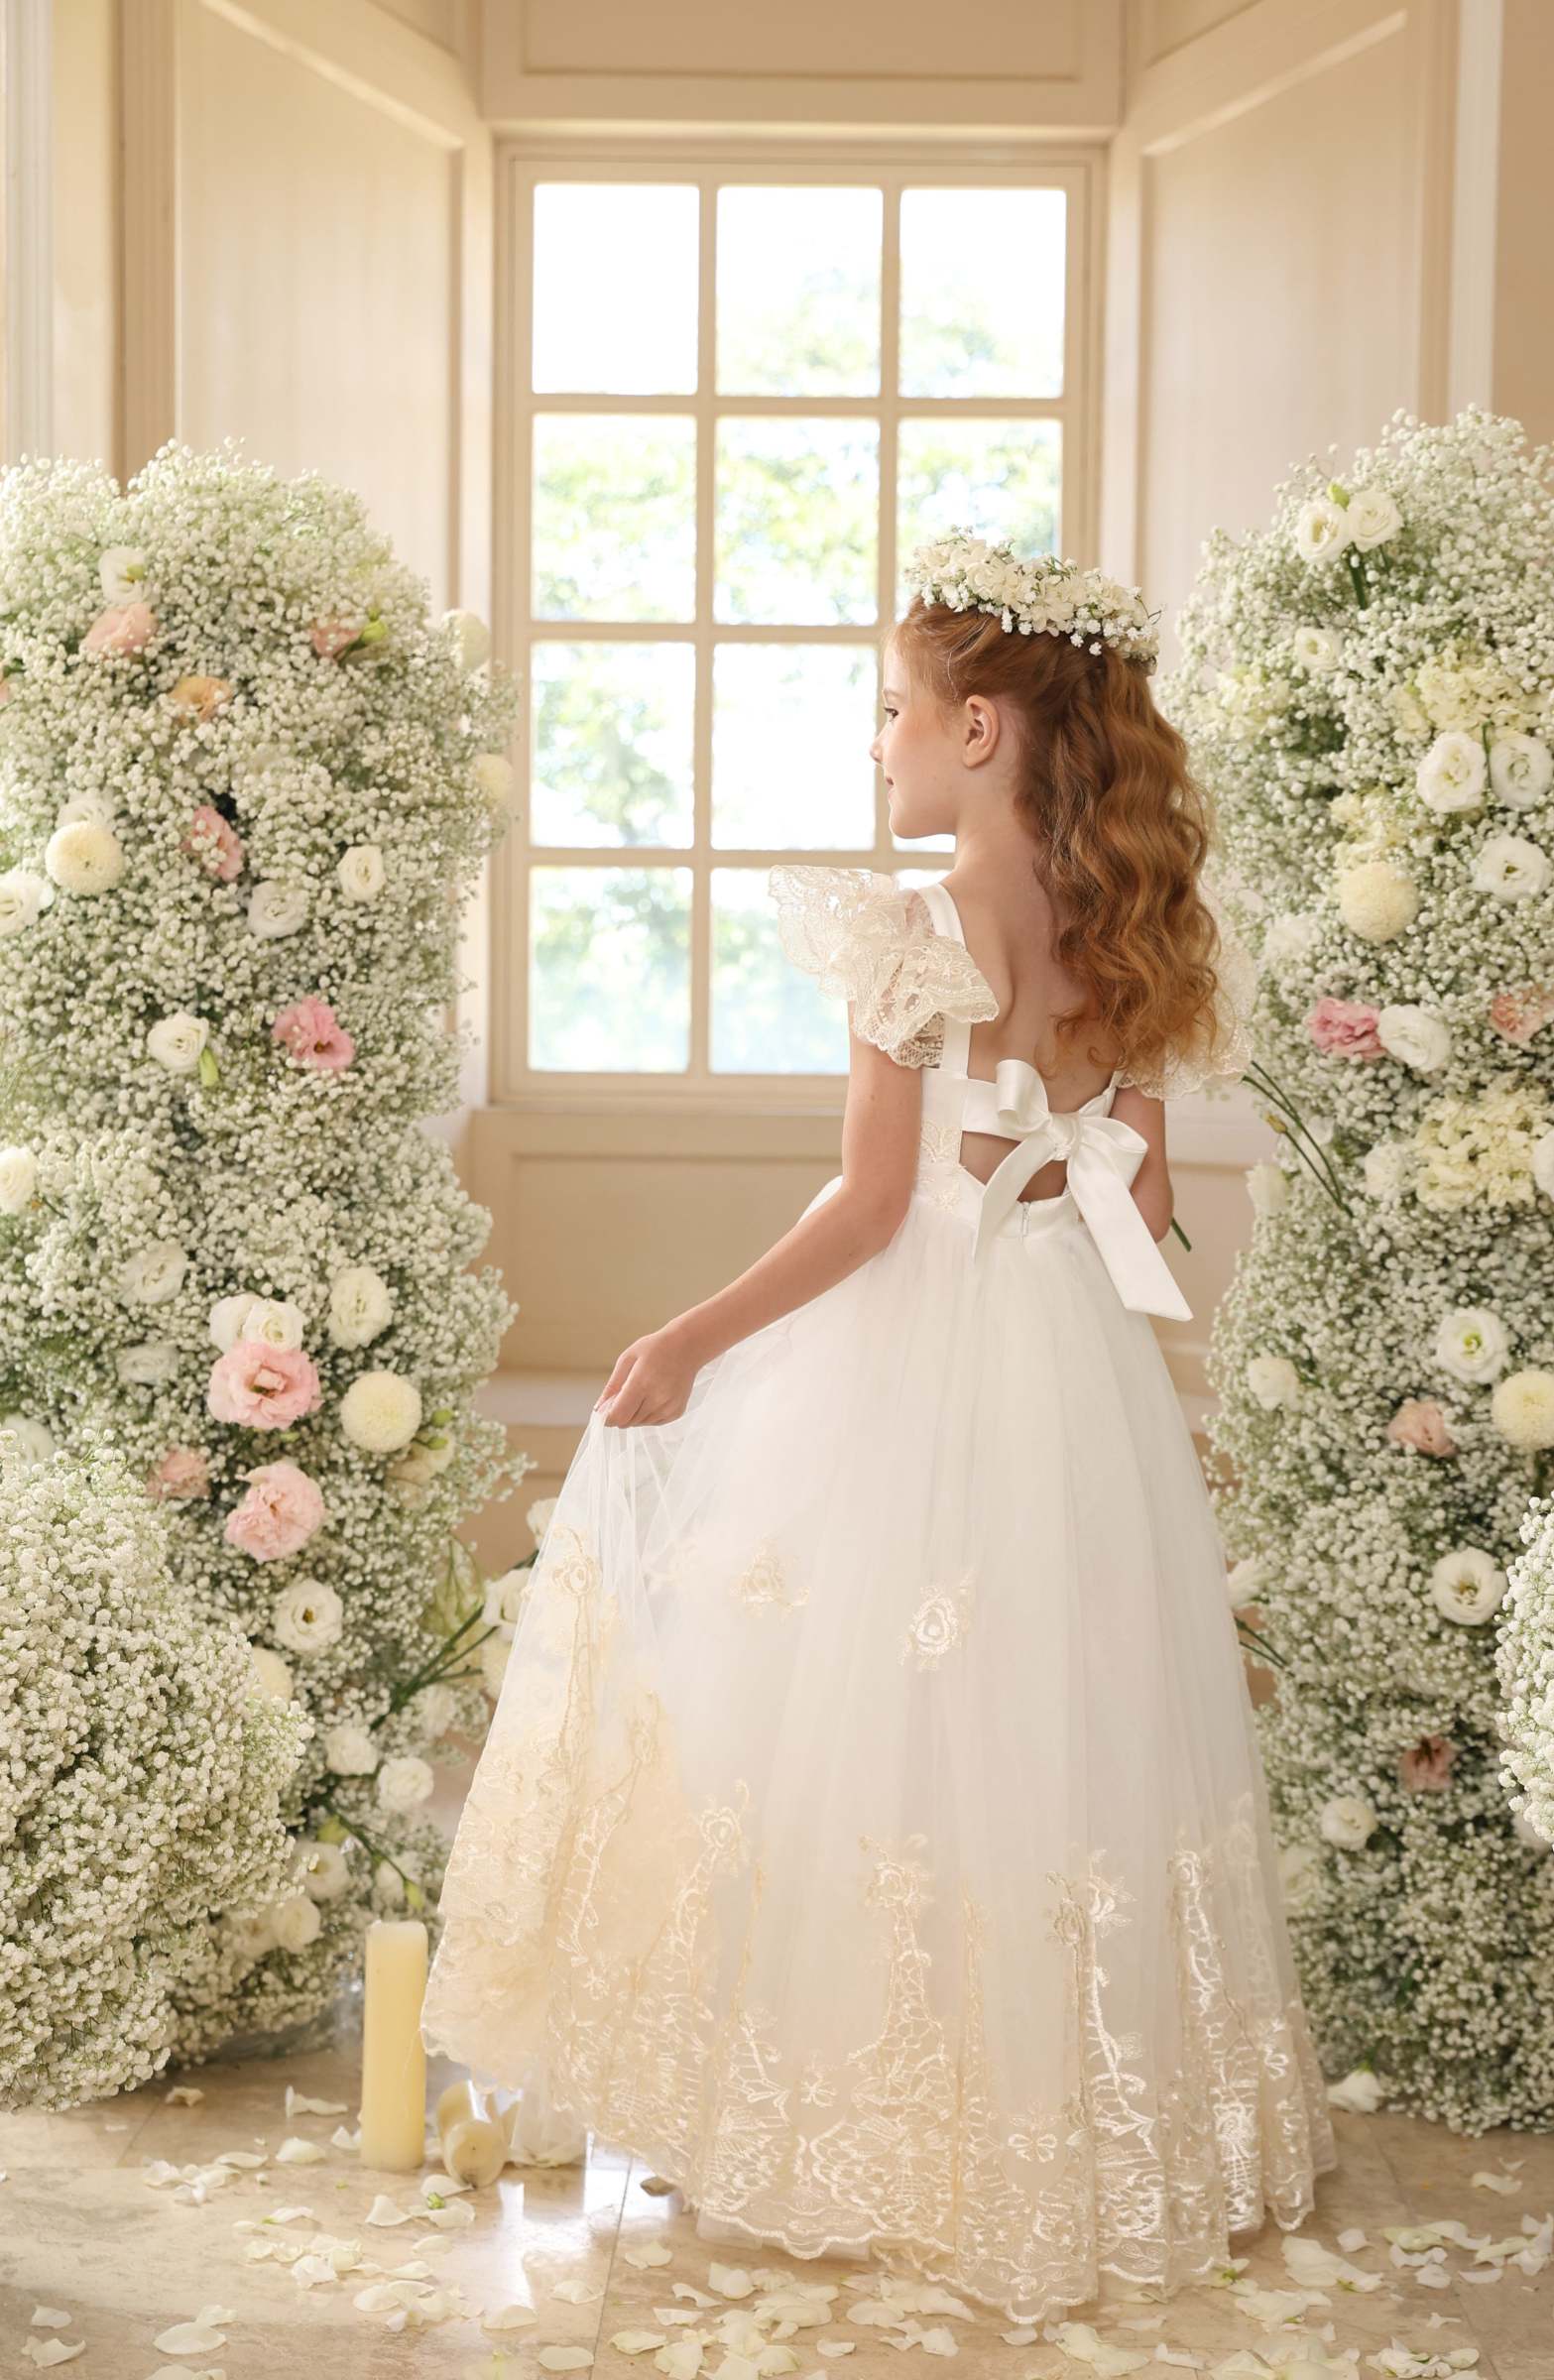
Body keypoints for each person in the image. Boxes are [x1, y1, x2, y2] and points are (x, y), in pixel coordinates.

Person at [419, 533, 1336, 2325]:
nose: (876, 740)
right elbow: (1142, 1201)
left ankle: (878, 2128)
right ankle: (1064, 2130)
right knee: (1039, 1735)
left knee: (861, 1724)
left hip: (924, 1337)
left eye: (894, 707)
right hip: (1067, 1351)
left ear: (982, 730)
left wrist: (683, 1338)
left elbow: (865, 1208)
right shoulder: (1115, 925)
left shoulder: (918, 929)